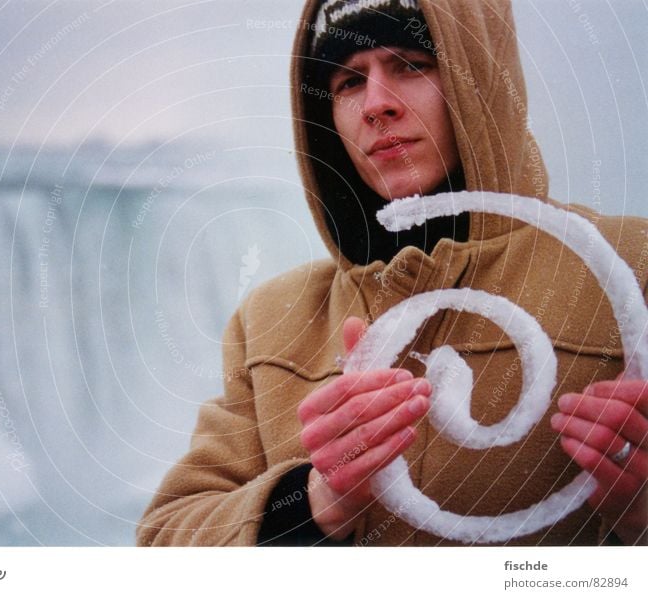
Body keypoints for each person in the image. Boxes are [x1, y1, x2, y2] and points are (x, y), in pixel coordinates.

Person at [137, 0, 648, 546]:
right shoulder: (270, 319)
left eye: (410, 64)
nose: (377, 104)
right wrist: (314, 502)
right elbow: (165, 539)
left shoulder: (630, 268)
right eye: (348, 82)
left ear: (481, 77)